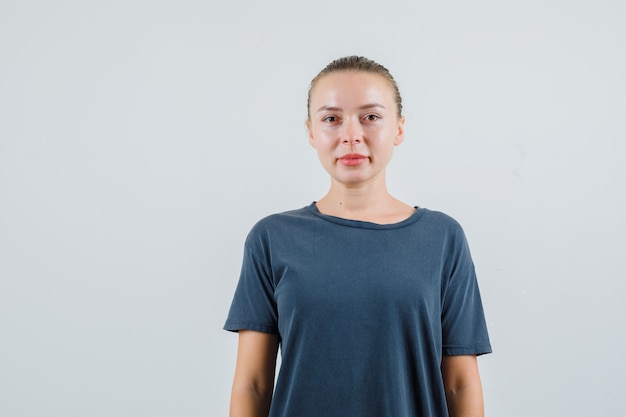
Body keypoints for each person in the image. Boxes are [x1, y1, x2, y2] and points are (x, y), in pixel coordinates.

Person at [224, 55, 492, 417]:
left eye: (371, 117)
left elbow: (460, 383)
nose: (351, 135)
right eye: (332, 119)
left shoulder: (442, 238)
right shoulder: (271, 239)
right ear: (311, 132)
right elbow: (252, 384)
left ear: (398, 128)